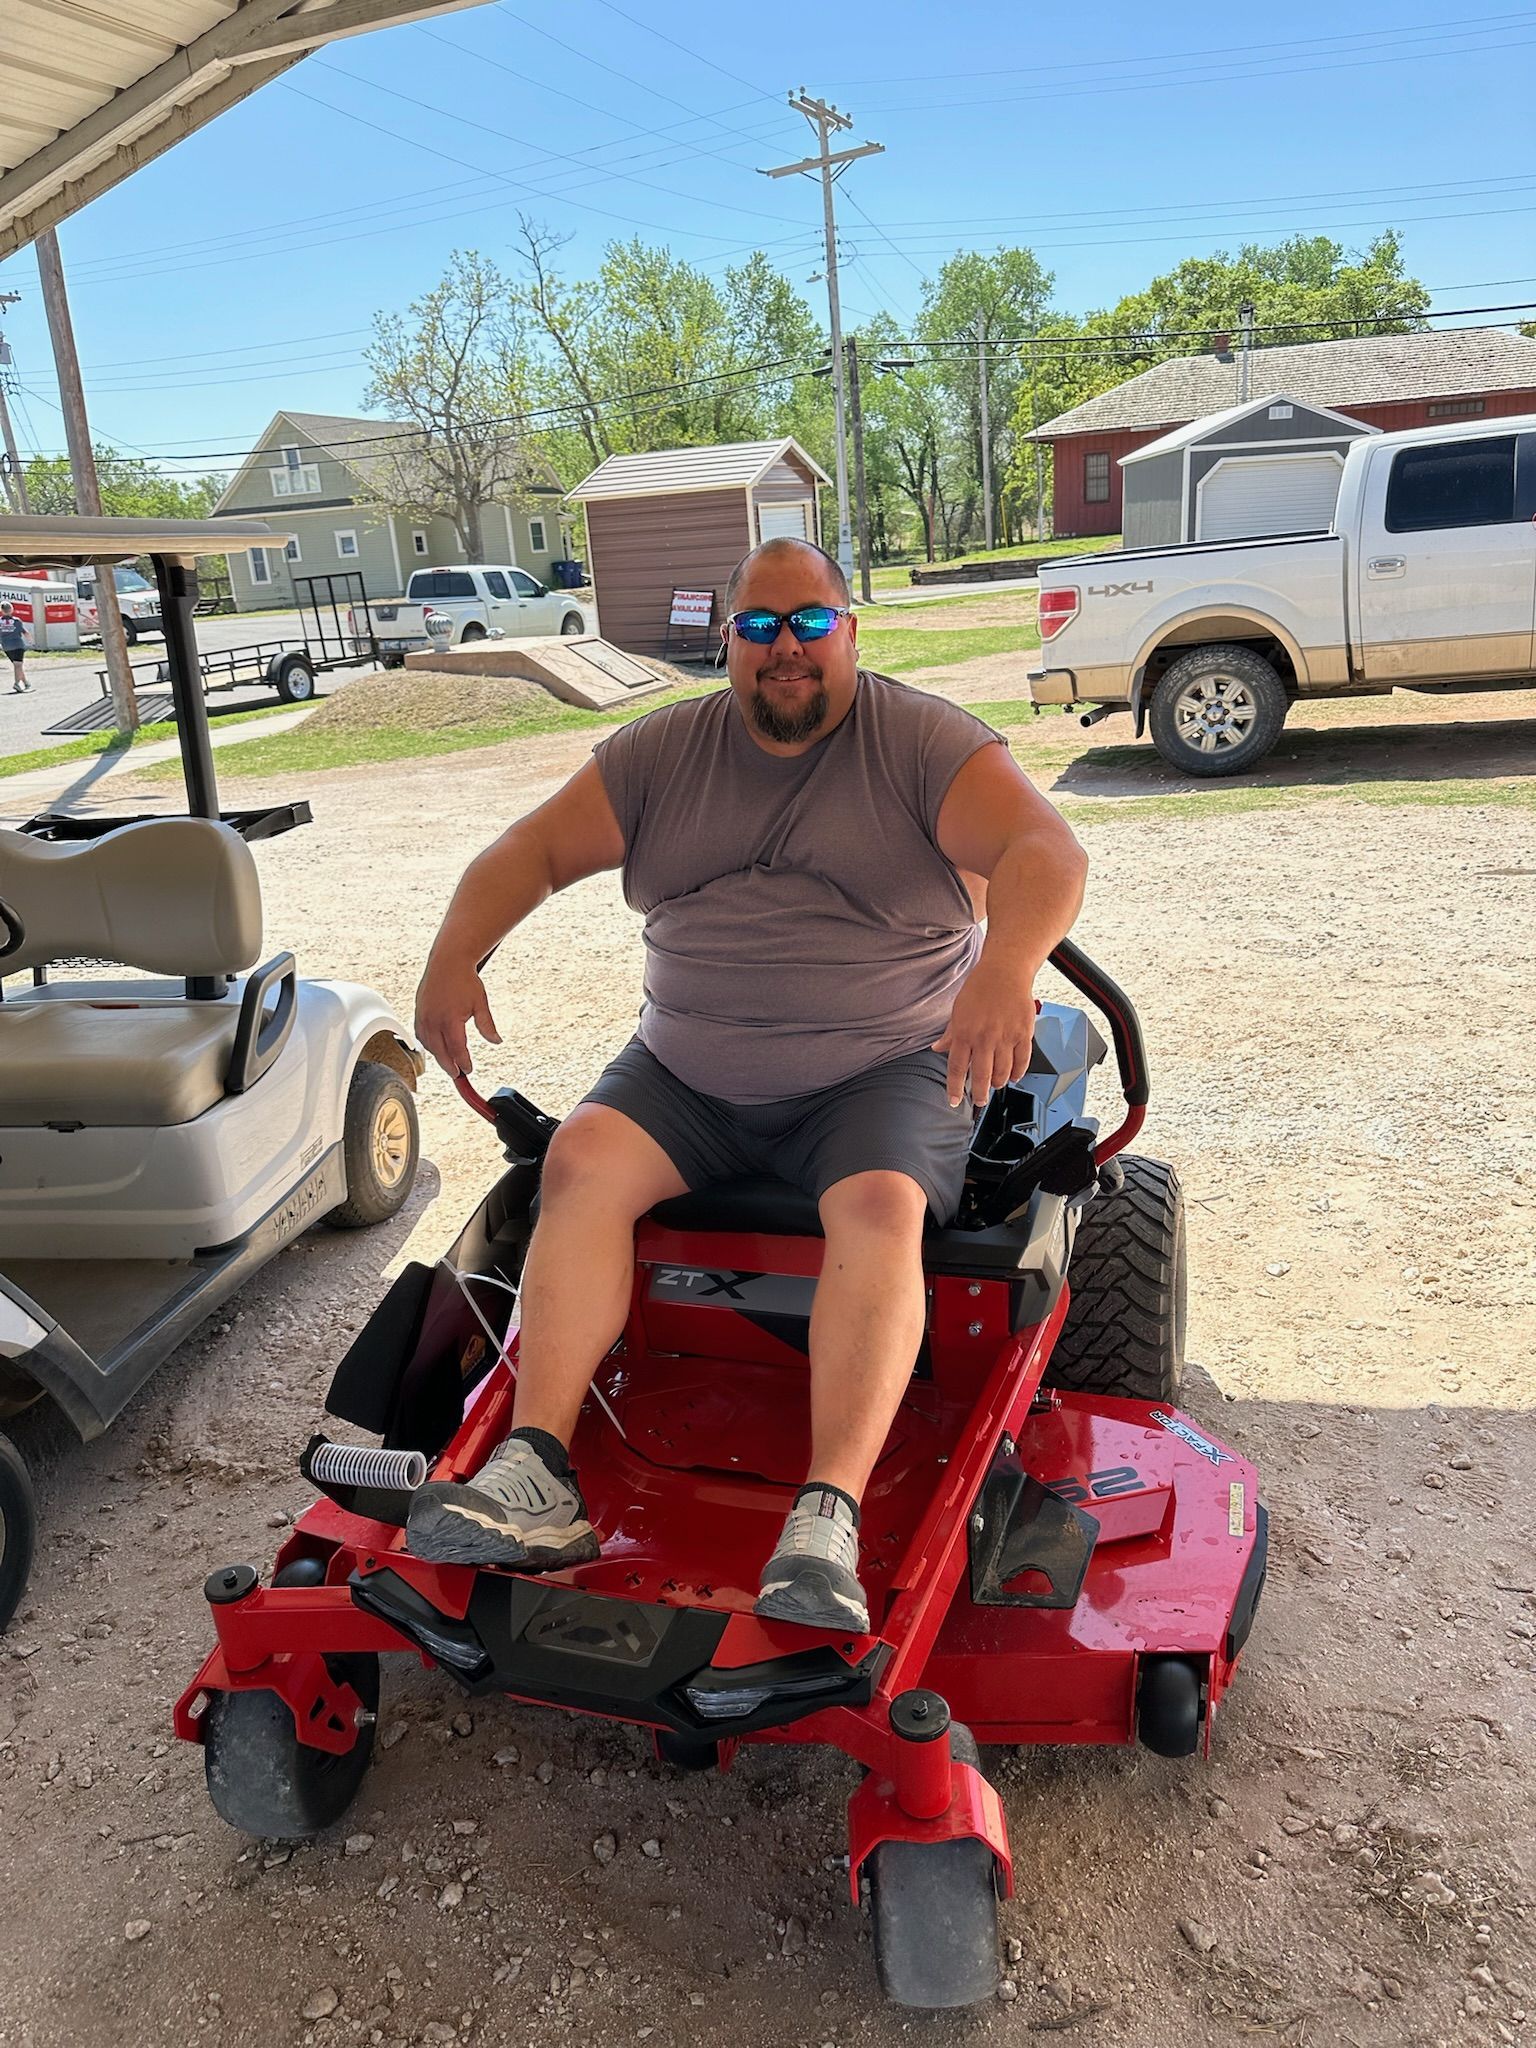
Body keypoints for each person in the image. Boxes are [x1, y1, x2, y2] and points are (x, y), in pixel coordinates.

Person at [407, 536, 1088, 1630]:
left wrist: (1006, 971)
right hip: (687, 1067)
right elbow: (528, 850)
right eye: (760, 624)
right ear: (724, 638)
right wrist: (452, 957)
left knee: (880, 1205)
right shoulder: (662, 752)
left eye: (810, 622)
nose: (787, 647)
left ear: (850, 631)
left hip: (879, 1067)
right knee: (576, 1159)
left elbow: (1045, 850)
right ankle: (535, 1469)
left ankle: (827, 1514)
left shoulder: (923, 743)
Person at [0, 604, 31, 692]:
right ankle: (17, 683)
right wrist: (30, 641)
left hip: (6, 646)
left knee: (17, 665)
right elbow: (25, 632)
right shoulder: (16, 621)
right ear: (11, 610)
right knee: (18, 665)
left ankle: (25, 682)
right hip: (17, 645)